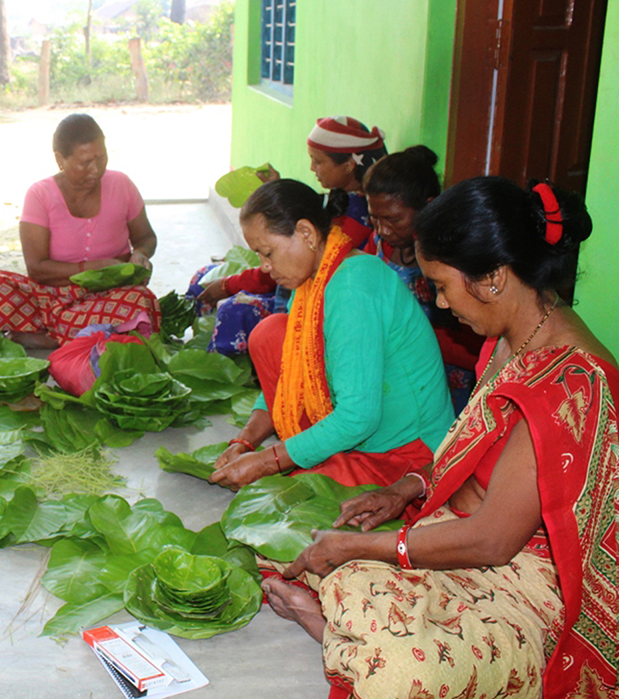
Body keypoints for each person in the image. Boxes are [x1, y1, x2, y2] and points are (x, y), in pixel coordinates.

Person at [262, 177, 618, 698]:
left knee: (406, 667)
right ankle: (348, 640)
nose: (444, 305)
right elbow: (471, 453)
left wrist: (369, 547)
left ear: (492, 278)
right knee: (333, 567)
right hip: (466, 538)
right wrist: (404, 489)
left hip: (531, 585)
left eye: (444, 287)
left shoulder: (571, 382)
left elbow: (495, 540)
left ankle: (334, 639)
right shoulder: (506, 341)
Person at [209, 179, 454, 490]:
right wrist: (243, 443)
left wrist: (268, 461)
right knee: (270, 335)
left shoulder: (353, 286)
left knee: (293, 498)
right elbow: (289, 378)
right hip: (365, 434)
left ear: (306, 233)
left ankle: (325, 460)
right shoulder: (314, 277)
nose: (265, 266)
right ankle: (318, 454)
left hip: (407, 453)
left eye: (267, 252)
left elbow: (358, 418)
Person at [189, 116, 387, 355]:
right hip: (294, 274)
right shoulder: (338, 199)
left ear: (348, 165)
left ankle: (224, 371)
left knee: (234, 309)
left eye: (318, 161)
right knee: (203, 276)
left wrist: (230, 284)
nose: (312, 168)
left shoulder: (356, 218)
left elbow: (292, 264)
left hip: (307, 288)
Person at [0, 113, 160, 348]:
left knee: (141, 301)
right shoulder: (40, 195)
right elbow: (37, 268)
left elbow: (146, 237)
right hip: (50, 297)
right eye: (85, 163)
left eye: (101, 158)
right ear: (60, 160)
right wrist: (95, 267)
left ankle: (50, 337)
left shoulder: (121, 184)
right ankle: (83, 334)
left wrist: (140, 254)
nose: (96, 170)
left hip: (109, 297)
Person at [363, 147, 483, 412]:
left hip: (446, 381)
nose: (382, 229)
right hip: (393, 376)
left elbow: (477, 344)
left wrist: (417, 340)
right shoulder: (378, 245)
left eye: (393, 219)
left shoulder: (451, 259)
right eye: (374, 218)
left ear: (429, 206)